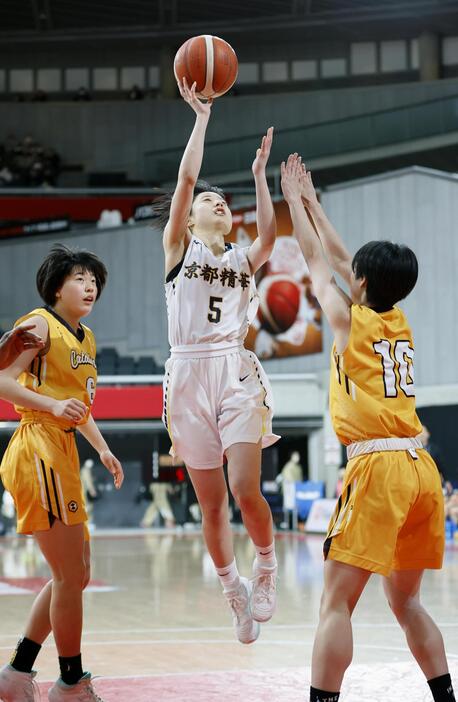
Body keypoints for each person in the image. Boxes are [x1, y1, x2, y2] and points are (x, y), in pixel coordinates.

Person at [280, 154, 454, 702]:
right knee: (406, 603)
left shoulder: (347, 319)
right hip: (421, 470)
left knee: (336, 603)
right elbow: (341, 256)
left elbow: (315, 255)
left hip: (377, 466)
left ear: (359, 282)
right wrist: (315, 203)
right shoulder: (395, 316)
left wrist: (293, 203)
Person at [153, 78, 280, 645]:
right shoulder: (180, 248)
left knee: (245, 487)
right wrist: (201, 119)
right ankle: (233, 592)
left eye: (224, 201)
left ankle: (267, 569)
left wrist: (259, 180)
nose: (217, 202)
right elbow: (185, 180)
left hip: (234, 370)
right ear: (193, 217)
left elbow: (272, 234)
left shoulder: (244, 258)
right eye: (210, 200)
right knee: (211, 504)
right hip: (185, 374)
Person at [0, 244, 124, 702]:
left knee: (76, 573)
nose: (89, 285)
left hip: (63, 449)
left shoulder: (86, 339)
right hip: (36, 445)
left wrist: (104, 449)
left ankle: (15, 675)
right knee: (69, 574)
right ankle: (70, 683)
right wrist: (52, 404)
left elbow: (80, 407)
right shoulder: (37, 323)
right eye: (78, 278)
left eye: (94, 280)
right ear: (56, 286)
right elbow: (1, 379)